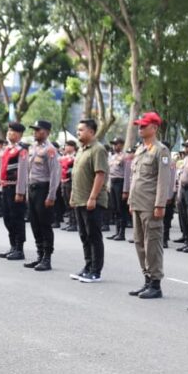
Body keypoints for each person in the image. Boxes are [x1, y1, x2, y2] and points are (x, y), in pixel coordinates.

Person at [126, 112, 173, 299]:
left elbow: (163, 180)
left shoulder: (161, 151)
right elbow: (135, 177)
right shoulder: (140, 149)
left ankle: (155, 283)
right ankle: (146, 280)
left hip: (151, 204)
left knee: (152, 243)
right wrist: (130, 200)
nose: (140, 128)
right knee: (139, 242)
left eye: (144, 125)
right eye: (139, 125)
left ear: (154, 128)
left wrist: (160, 204)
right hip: (138, 203)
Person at [69, 118, 109, 283]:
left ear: (91, 132)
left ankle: (95, 271)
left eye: (81, 130)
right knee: (84, 235)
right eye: (78, 130)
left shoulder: (97, 149)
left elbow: (100, 174)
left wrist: (93, 197)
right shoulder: (81, 150)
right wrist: (73, 195)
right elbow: (76, 175)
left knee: (94, 236)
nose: (78, 132)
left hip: (92, 201)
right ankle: (87, 266)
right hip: (79, 199)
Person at [25, 120, 60, 271]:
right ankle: (39, 255)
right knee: (34, 223)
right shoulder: (33, 147)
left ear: (46, 132)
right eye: (34, 130)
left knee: (45, 224)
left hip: (43, 189)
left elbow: (55, 174)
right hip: (32, 189)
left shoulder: (50, 149)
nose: (35, 132)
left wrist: (51, 195)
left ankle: (47, 258)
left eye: (37, 130)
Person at [0, 122, 29, 261]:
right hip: (5, 187)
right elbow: (3, 169)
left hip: (15, 188)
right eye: (9, 131)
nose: (10, 134)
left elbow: (22, 172)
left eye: (14, 132)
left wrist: (20, 192)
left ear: (20, 135)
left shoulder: (21, 150)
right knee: (7, 218)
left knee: (17, 218)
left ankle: (19, 248)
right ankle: (12, 246)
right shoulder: (7, 149)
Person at [107, 137, 129, 241]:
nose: (115, 146)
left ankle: (122, 233)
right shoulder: (112, 156)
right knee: (115, 208)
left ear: (121, 145)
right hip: (113, 182)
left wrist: (125, 190)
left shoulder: (125, 157)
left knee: (121, 209)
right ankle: (117, 231)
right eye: (114, 144)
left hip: (120, 183)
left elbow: (127, 173)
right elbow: (109, 172)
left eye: (117, 144)